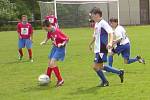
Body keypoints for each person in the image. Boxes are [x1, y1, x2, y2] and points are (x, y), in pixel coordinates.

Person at [89, 7, 124, 87]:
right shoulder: (97, 24)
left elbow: (111, 33)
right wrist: (90, 44)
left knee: (95, 67)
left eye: (93, 15)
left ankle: (105, 82)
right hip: (97, 49)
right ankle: (119, 72)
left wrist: (110, 43)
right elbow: (95, 36)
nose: (92, 17)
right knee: (100, 67)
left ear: (97, 15)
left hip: (102, 48)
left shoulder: (103, 23)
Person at [40, 20, 69, 87]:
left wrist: (62, 44)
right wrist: (45, 41)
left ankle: (60, 80)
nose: (46, 30)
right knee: (50, 63)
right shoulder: (50, 31)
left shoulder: (57, 31)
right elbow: (48, 36)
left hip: (60, 49)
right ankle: (47, 79)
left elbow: (67, 39)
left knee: (52, 63)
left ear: (49, 26)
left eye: (46, 29)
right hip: (54, 48)